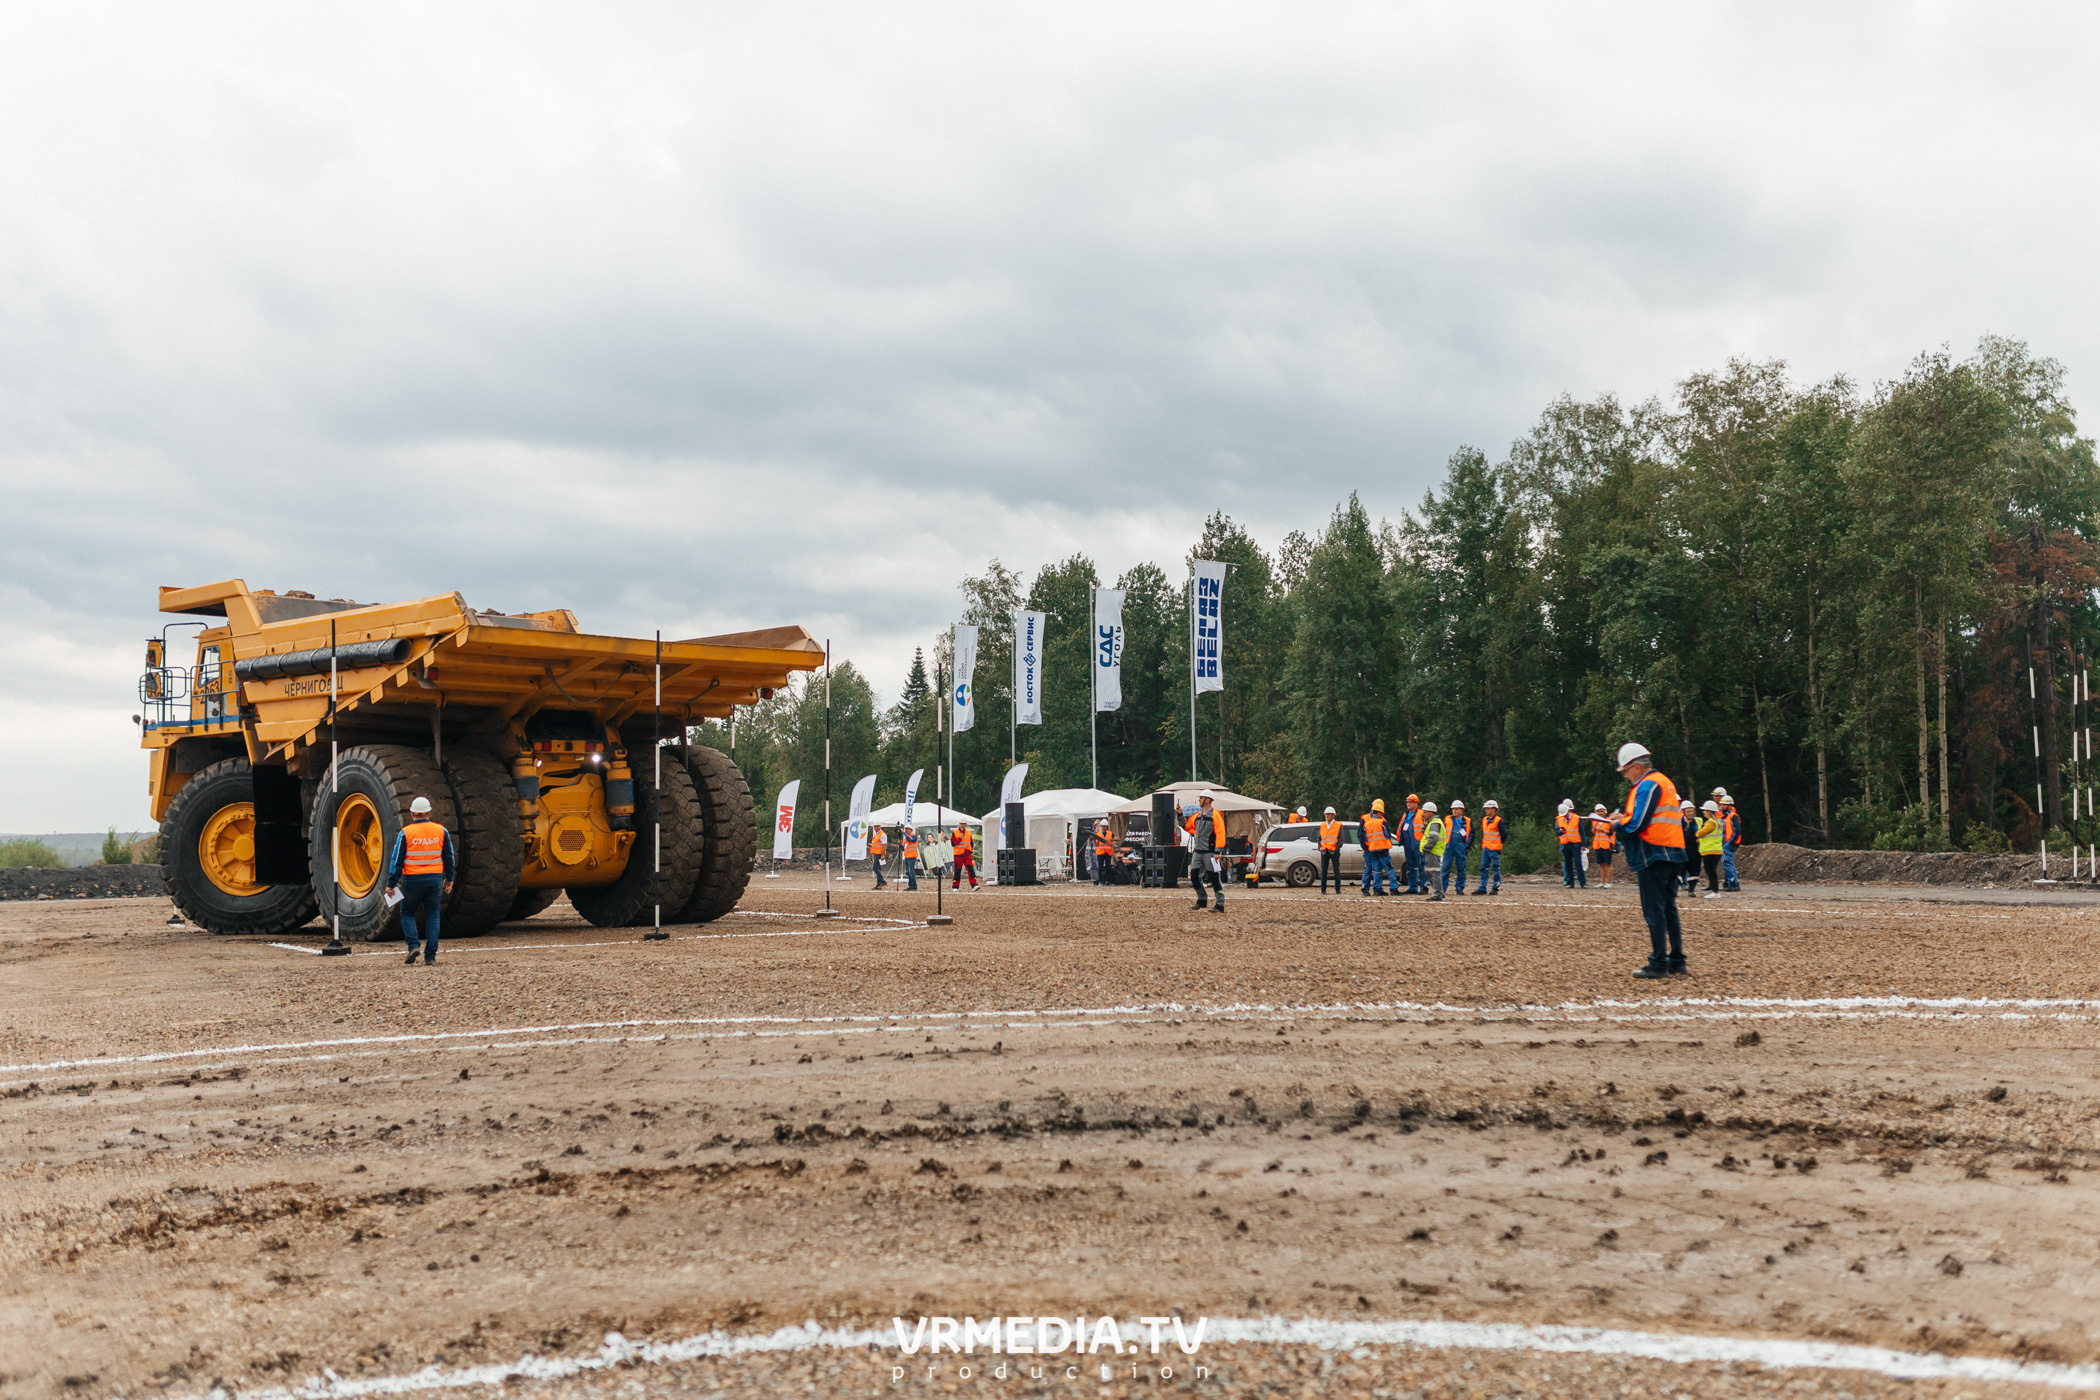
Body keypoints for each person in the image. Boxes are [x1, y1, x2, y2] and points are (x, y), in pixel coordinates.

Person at [1612, 741, 1690, 978]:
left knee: (1654, 910)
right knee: (1668, 908)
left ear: (1635, 766)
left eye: (1625, 771)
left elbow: (1638, 824)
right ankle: (1676, 960)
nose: (1625, 776)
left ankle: (1658, 963)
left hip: (1653, 854)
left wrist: (1617, 824)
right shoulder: (1665, 782)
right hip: (1673, 852)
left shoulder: (1647, 784)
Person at [384, 795, 455, 966]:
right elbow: (449, 857)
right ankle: (430, 957)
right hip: (435, 881)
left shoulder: (406, 833)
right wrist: (449, 879)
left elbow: (397, 861)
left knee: (407, 913)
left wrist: (391, 884)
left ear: (411, 813)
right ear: (429, 812)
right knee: (433, 916)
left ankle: (413, 945)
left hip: (413, 881)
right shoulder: (441, 831)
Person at [1185, 790, 1228, 913]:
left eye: (1201, 798)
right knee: (1194, 877)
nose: (1199, 800)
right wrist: (1179, 815)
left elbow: (1220, 833)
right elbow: (1188, 827)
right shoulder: (1197, 815)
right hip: (1198, 852)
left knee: (1215, 879)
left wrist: (1218, 851)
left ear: (1208, 800)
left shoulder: (1215, 815)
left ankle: (1220, 904)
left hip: (1210, 852)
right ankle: (1202, 899)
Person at [1360, 798, 1396, 896]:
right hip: (1381, 849)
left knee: (1376, 870)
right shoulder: (1380, 821)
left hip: (1372, 849)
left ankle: (1377, 889)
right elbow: (1387, 834)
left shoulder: (1367, 822)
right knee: (1388, 869)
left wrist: (1368, 845)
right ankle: (1393, 888)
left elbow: (1363, 835)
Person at [1472, 799, 1503, 894]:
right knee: (1483, 868)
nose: (1486, 810)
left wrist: (1498, 844)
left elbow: (1504, 834)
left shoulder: (1498, 821)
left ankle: (1495, 887)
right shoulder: (1484, 820)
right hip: (1486, 848)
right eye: (1486, 809)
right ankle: (1482, 887)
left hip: (1494, 848)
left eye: (1488, 808)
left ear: (1494, 809)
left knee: (1495, 868)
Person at [1441, 799, 1471, 897]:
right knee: (1445, 868)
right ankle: (1442, 889)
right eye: (1453, 809)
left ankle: (1459, 888)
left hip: (1461, 847)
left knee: (1461, 868)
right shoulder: (1447, 819)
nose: (1454, 811)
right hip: (1449, 846)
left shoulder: (1467, 821)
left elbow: (1472, 834)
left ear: (1461, 810)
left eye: (1457, 809)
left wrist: (1467, 845)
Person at [1420, 802, 1448, 901]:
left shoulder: (1435, 823)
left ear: (1431, 812)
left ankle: (1438, 893)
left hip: (1433, 851)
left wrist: (1426, 848)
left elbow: (1434, 838)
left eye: (1425, 812)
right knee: (1429, 872)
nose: (1423, 814)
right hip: (1431, 851)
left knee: (1433, 872)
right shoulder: (1431, 823)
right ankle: (1439, 891)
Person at [1556, 800, 1586, 889]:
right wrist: (1560, 831)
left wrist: (1583, 844)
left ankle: (1583, 883)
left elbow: (1582, 832)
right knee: (1568, 864)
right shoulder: (1559, 819)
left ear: (1568, 811)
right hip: (1565, 845)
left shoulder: (1577, 818)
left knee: (1578, 864)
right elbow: (1557, 831)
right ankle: (1570, 882)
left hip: (1575, 844)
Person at [1697, 800, 1725, 893]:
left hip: (1710, 850)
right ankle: (1714, 890)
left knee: (1710, 871)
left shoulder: (1711, 823)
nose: (1703, 812)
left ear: (1709, 811)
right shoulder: (1717, 822)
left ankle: (1715, 891)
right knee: (1711, 871)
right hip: (1716, 850)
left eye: (1705, 810)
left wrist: (1698, 832)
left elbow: (1700, 833)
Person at [1399, 794, 1424, 895]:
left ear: (1416, 803)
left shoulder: (1422, 814)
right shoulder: (1406, 815)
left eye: (1411, 802)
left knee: (1421, 866)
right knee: (1410, 866)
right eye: (1408, 802)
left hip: (1418, 844)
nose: (1409, 804)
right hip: (1408, 844)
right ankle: (1412, 887)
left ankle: (1424, 887)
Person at [1717, 792, 1742, 891]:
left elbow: (1738, 830)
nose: (1721, 806)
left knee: (1727, 862)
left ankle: (1733, 883)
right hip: (1726, 843)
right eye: (1721, 804)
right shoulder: (1725, 816)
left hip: (1730, 843)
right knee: (1727, 862)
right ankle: (1729, 882)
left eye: (1724, 804)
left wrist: (1731, 842)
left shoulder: (1733, 816)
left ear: (1729, 805)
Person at [1589, 803, 1617, 887]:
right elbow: (1593, 832)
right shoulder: (1594, 821)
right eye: (1598, 811)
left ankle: (1609, 882)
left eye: (1602, 811)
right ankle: (1602, 882)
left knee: (1608, 864)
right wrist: (1595, 828)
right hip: (1598, 845)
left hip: (1607, 844)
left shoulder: (1609, 821)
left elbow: (1612, 832)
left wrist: (1602, 830)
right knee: (1601, 864)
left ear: (1605, 811)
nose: (1600, 813)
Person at [1318, 806, 1344, 894]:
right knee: (1323, 871)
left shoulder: (1338, 825)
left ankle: (1338, 889)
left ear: (1333, 815)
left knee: (1336, 870)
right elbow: (1319, 838)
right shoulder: (1322, 825)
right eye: (1326, 814)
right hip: (1324, 851)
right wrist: (1320, 847)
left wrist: (1336, 849)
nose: (1327, 816)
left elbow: (1341, 839)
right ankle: (1323, 890)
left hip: (1334, 851)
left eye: (1328, 814)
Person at [950, 822, 979, 890]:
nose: (962, 825)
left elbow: (971, 842)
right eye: (961, 824)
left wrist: (970, 850)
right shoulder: (955, 832)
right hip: (958, 854)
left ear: (966, 825)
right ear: (959, 824)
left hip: (967, 853)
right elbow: (953, 843)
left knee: (970, 869)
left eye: (963, 824)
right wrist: (959, 839)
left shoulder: (969, 832)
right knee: (957, 870)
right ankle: (955, 886)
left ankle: (974, 884)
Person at [1093, 820, 1117, 886]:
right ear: (1101, 826)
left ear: (1107, 827)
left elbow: (1117, 838)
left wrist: (1110, 839)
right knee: (1100, 867)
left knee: (1108, 867)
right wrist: (1094, 839)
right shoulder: (1098, 834)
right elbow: (1097, 844)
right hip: (1100, 852)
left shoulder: (1110, 833)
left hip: (1108, 852)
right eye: (1103, 826)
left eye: (1105, 826)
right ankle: (1101, 881)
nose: (1104, 828)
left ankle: (1108, 881)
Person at [869, 822, 888, 889]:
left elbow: (884, 845)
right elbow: (877, 844)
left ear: (880, 826)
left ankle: (883, 881)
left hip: (879, 853)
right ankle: (878, 884)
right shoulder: (876, 835)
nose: (875, 828)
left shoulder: (882, 835)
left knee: (875, 868)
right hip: (876, 852)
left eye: (877, 826)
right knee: (878, 868)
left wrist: (882, 855)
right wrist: (871, 845)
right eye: (875, 826)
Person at [902, 825, 921, 891]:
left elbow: (911, 840)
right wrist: (900, 844)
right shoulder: (905, 839)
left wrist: (904, 833)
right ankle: (911, 886)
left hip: (912, 856)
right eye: (905, 829)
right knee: (908, 872)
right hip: (907, 856)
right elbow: (903, 848)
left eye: (907, 829)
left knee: (911, 872)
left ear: (911, 829)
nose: (906, 830)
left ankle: (914, 886)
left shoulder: (913, 836)